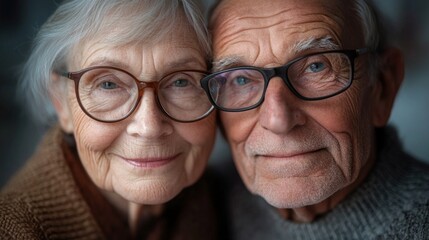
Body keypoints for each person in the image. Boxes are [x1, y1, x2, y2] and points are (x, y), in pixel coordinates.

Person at [201, 0, 429, 238]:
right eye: (240, 80)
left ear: (382, 87)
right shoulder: (202, 205)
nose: (278, 120)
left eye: (316, 66)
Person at [0, 0, 219, 239]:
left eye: (181, 82)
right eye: (108, 84)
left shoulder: (224, 200)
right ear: (61, 102)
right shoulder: (14, 229)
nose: (149, 126)